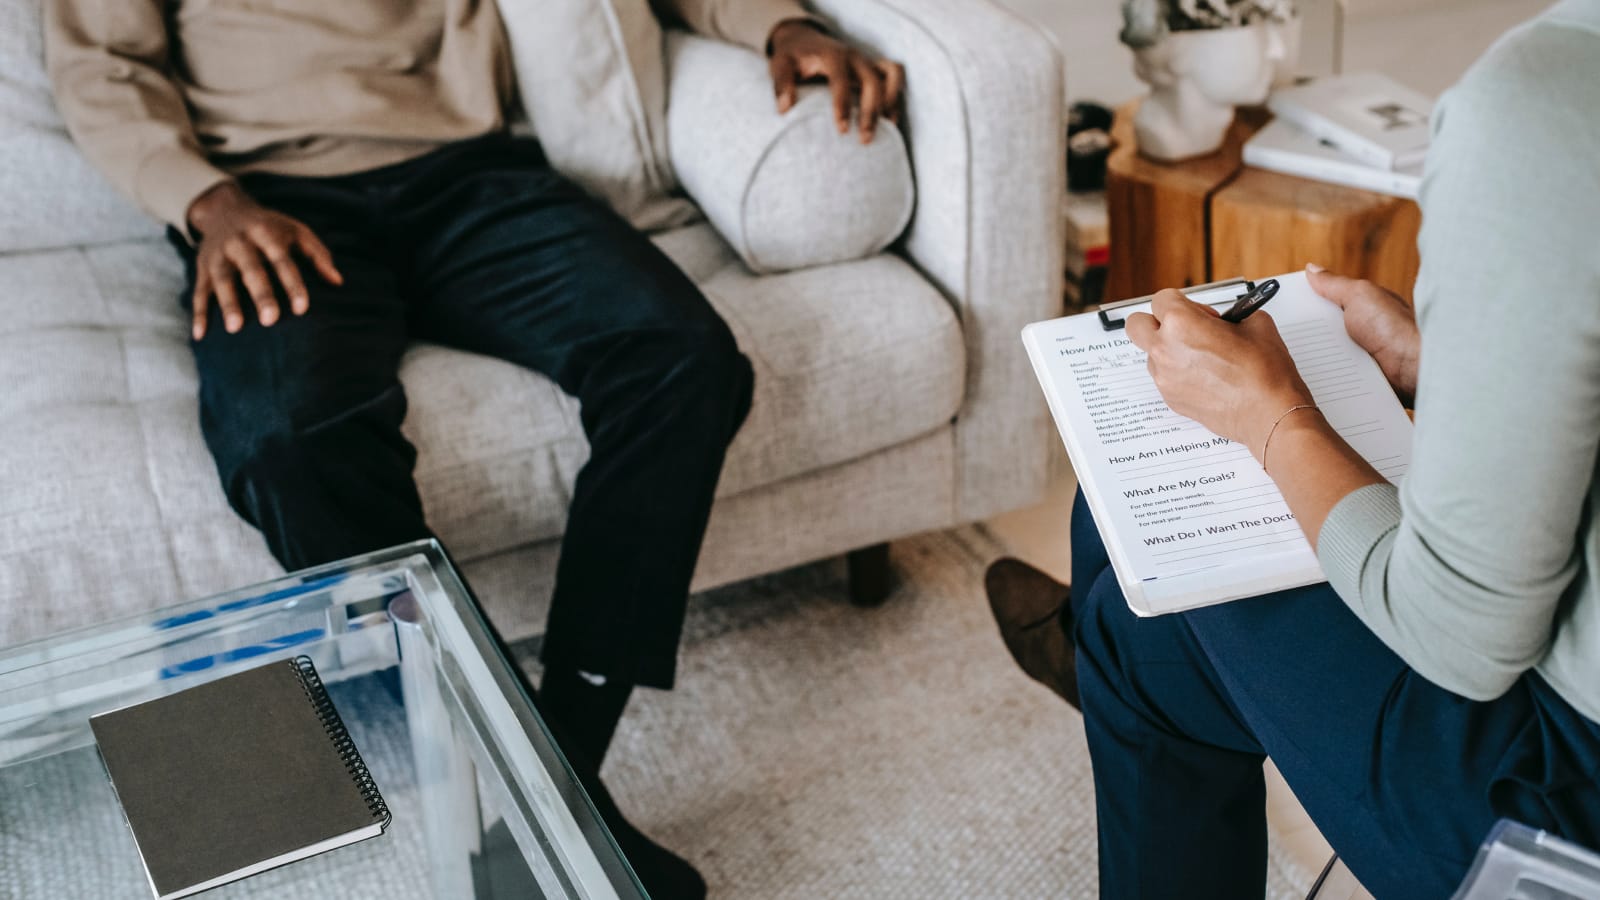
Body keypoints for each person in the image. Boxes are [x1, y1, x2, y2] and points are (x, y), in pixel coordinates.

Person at [44, 1, 904, 896]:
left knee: (682, 361)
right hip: (265, 195)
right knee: (286, 444)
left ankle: (547, 766)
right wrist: (207, 203)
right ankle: (538, 790)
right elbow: (100, 62)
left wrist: (779, 24)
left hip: (474, 176)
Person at [987, 1, 1600, 896]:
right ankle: (1139, 675)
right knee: (1141, 603)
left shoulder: (1548, 104)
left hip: (1563, 804)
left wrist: (1271, 414)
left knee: (1138, 586)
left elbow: (1462, 635)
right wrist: (1455, 369)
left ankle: (1127, 674)